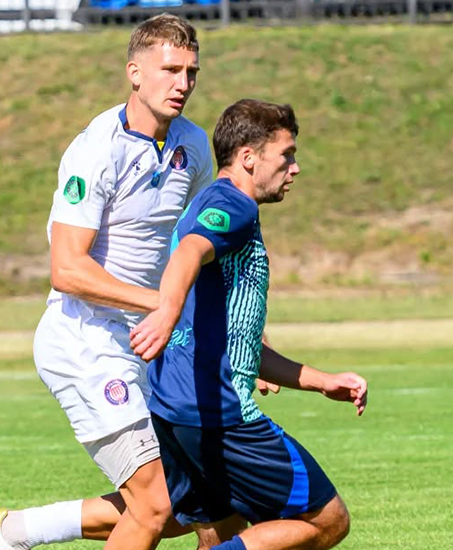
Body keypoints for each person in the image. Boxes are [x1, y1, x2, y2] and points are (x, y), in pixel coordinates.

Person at [0, 14, 217, 550]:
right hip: (85, 341)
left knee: (203, 502)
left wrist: (233, 336)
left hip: (148, 341)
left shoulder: (194, 145)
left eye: (191, 72)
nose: (183, 83)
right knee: (156, 504)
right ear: (135, 73)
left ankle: (13, 531)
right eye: (170, 70)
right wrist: (166, 303)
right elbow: (68, 269)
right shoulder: (97, 149)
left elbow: (196, 247)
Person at [129, 99, 367, 550]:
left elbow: (238, 346)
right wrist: (166, 313)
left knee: (220, 534)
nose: (295, 168)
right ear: (248, 158)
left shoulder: (206, 202)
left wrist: (321, 382)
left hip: (173, 407)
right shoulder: (234, 205)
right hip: (218, 412)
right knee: (327, 520)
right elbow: (189, 252)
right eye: (286, 155)